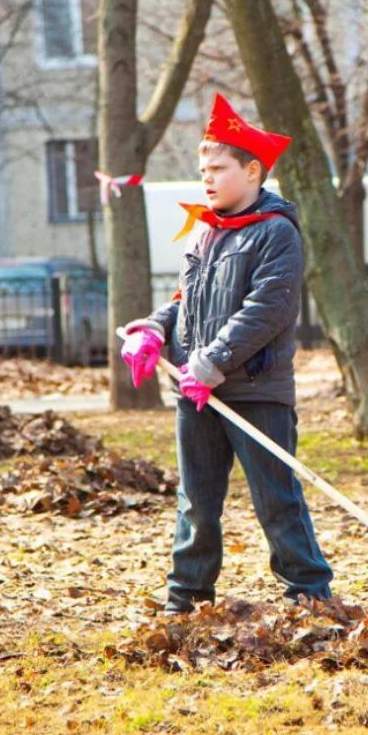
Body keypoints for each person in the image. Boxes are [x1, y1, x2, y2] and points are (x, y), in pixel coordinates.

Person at [119, 94, 333, 615]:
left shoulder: (276, 232)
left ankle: (309, 593)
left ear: (253, 171)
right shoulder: (207, 232)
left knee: (276, 499)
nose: (207, 180)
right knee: (196, 501)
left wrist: (211, 362)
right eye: (203, 171)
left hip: (255, 389)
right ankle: (187, 595)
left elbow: (267, 309)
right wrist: (153, 329)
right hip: (196, 393)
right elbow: (185, 301)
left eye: (218, 169)